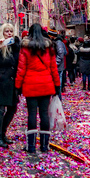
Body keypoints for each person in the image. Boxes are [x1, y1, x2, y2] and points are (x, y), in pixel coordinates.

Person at [15, 25, 60, 153]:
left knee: (32, 114)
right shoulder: (49, 47)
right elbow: (53, 69)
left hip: (30, 85)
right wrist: (57, 86)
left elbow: (21, 69)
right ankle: (45, 145)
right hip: (46, 85)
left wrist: (17, 87)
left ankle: (31, 145)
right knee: (44, 113)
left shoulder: (25, 48)